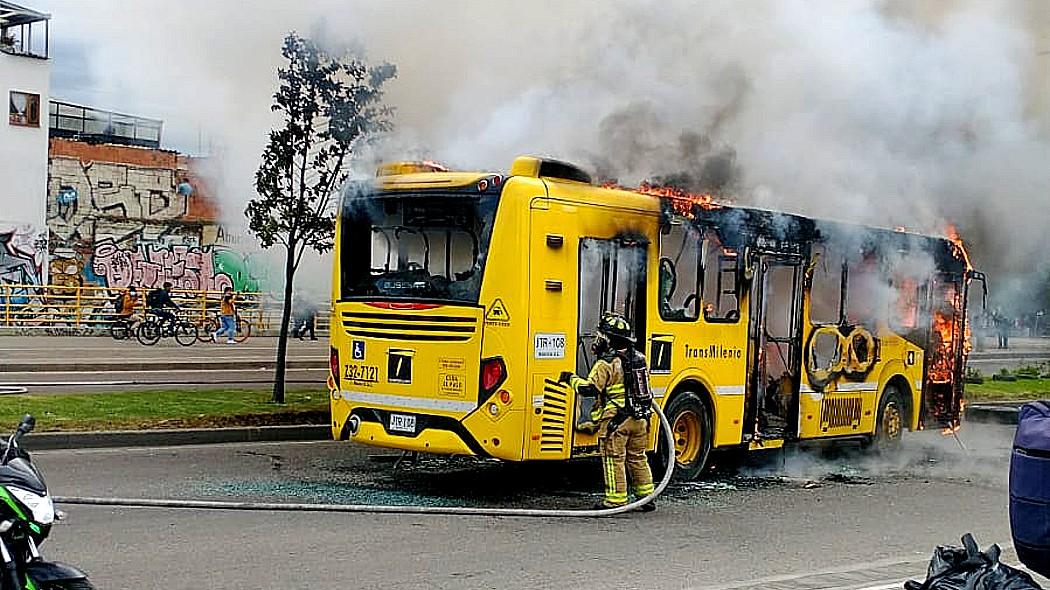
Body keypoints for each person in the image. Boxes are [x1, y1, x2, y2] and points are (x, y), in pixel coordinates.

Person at [559, 312, 656, 512]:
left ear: (610, 340)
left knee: (614, 459)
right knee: (637, 457)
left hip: (617, 422)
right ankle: (646, 497)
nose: (598, 340)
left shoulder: (606, 363)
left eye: (602, 336)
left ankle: (616, 500)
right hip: (640, 419)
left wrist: (570, 378)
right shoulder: (639, 358)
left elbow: (589, 389)